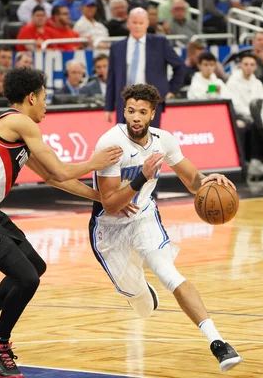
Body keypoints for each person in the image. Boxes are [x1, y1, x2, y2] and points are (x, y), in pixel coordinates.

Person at [0, 68, 122, 378]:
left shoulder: (19, 129)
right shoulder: (19, 121)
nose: (45, 105)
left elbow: (53, 178)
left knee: (33, 267)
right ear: (31, 97)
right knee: (26, 277)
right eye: (44, 98)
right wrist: (96, 162)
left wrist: (101, 198)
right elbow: (63, 170)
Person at [90, 83, 243, 374]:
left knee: (170, 274)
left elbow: (194, 180)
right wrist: (140, 178)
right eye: (131, 111)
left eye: (142, 112)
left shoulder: (164, 141)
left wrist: (210, 181)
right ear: (124, 111)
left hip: (145, 217)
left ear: (152, 115)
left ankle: (218, 343)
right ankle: (140, 290)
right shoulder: (110, 144)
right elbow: (109, 204)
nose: (136, 117)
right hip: (109, 228)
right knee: (141, 302)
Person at [105, 8, 185, 125]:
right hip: (125, 101)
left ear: (147, 23)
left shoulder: (159, 43)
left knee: (150, 140)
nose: (137, 26)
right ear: (128, 23)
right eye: (134, 22)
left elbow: (180, 67)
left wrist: (170, 90)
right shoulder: (117, 47)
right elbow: (111, 78)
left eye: (141, 23)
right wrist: (108, 107)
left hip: (151, 101)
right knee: (124, 140)